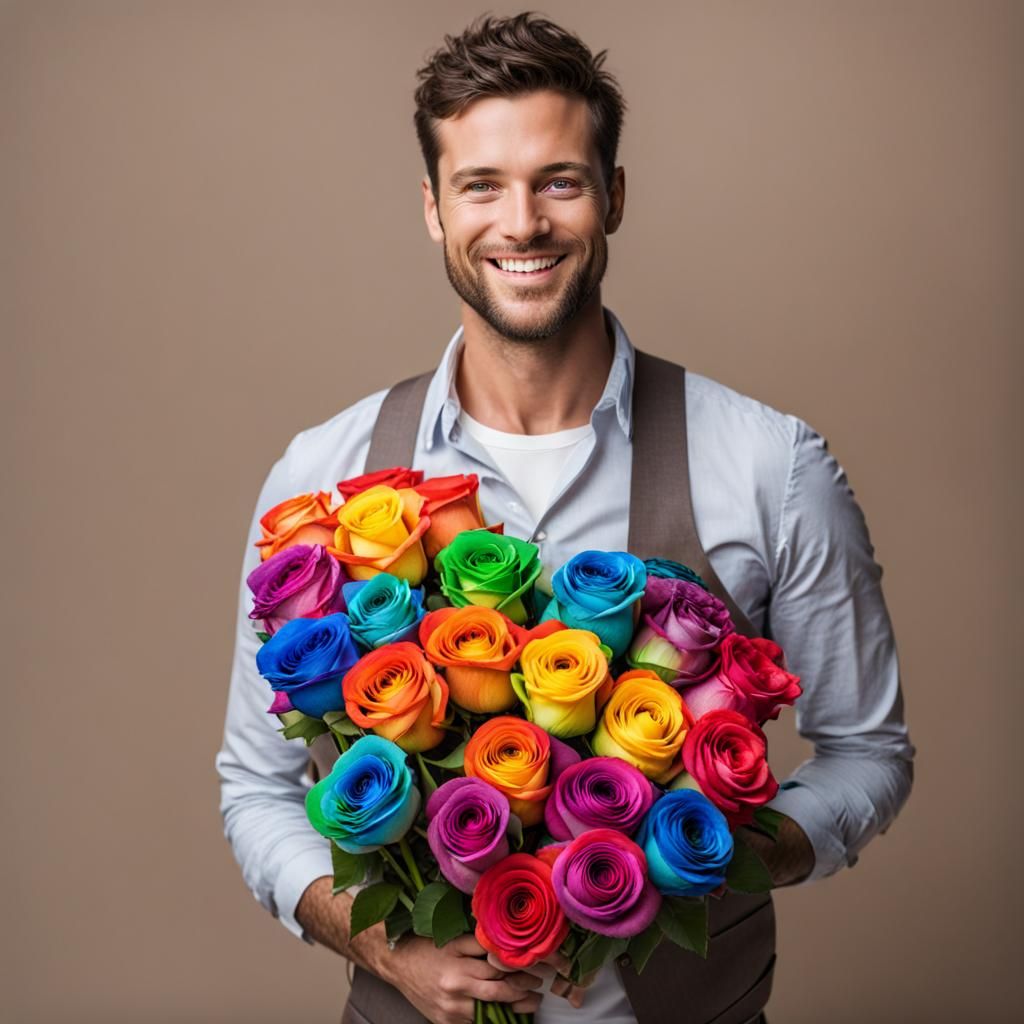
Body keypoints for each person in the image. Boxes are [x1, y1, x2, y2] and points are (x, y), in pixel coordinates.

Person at [216, 13, 914, 1024]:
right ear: (433, 208)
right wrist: (387, 949)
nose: (522, 223)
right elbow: (256, 787)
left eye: (558, 182)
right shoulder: (322, 475)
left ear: (613, 195)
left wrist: (697, 857)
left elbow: (868, 753)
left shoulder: (770, 465)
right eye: (481, 185)